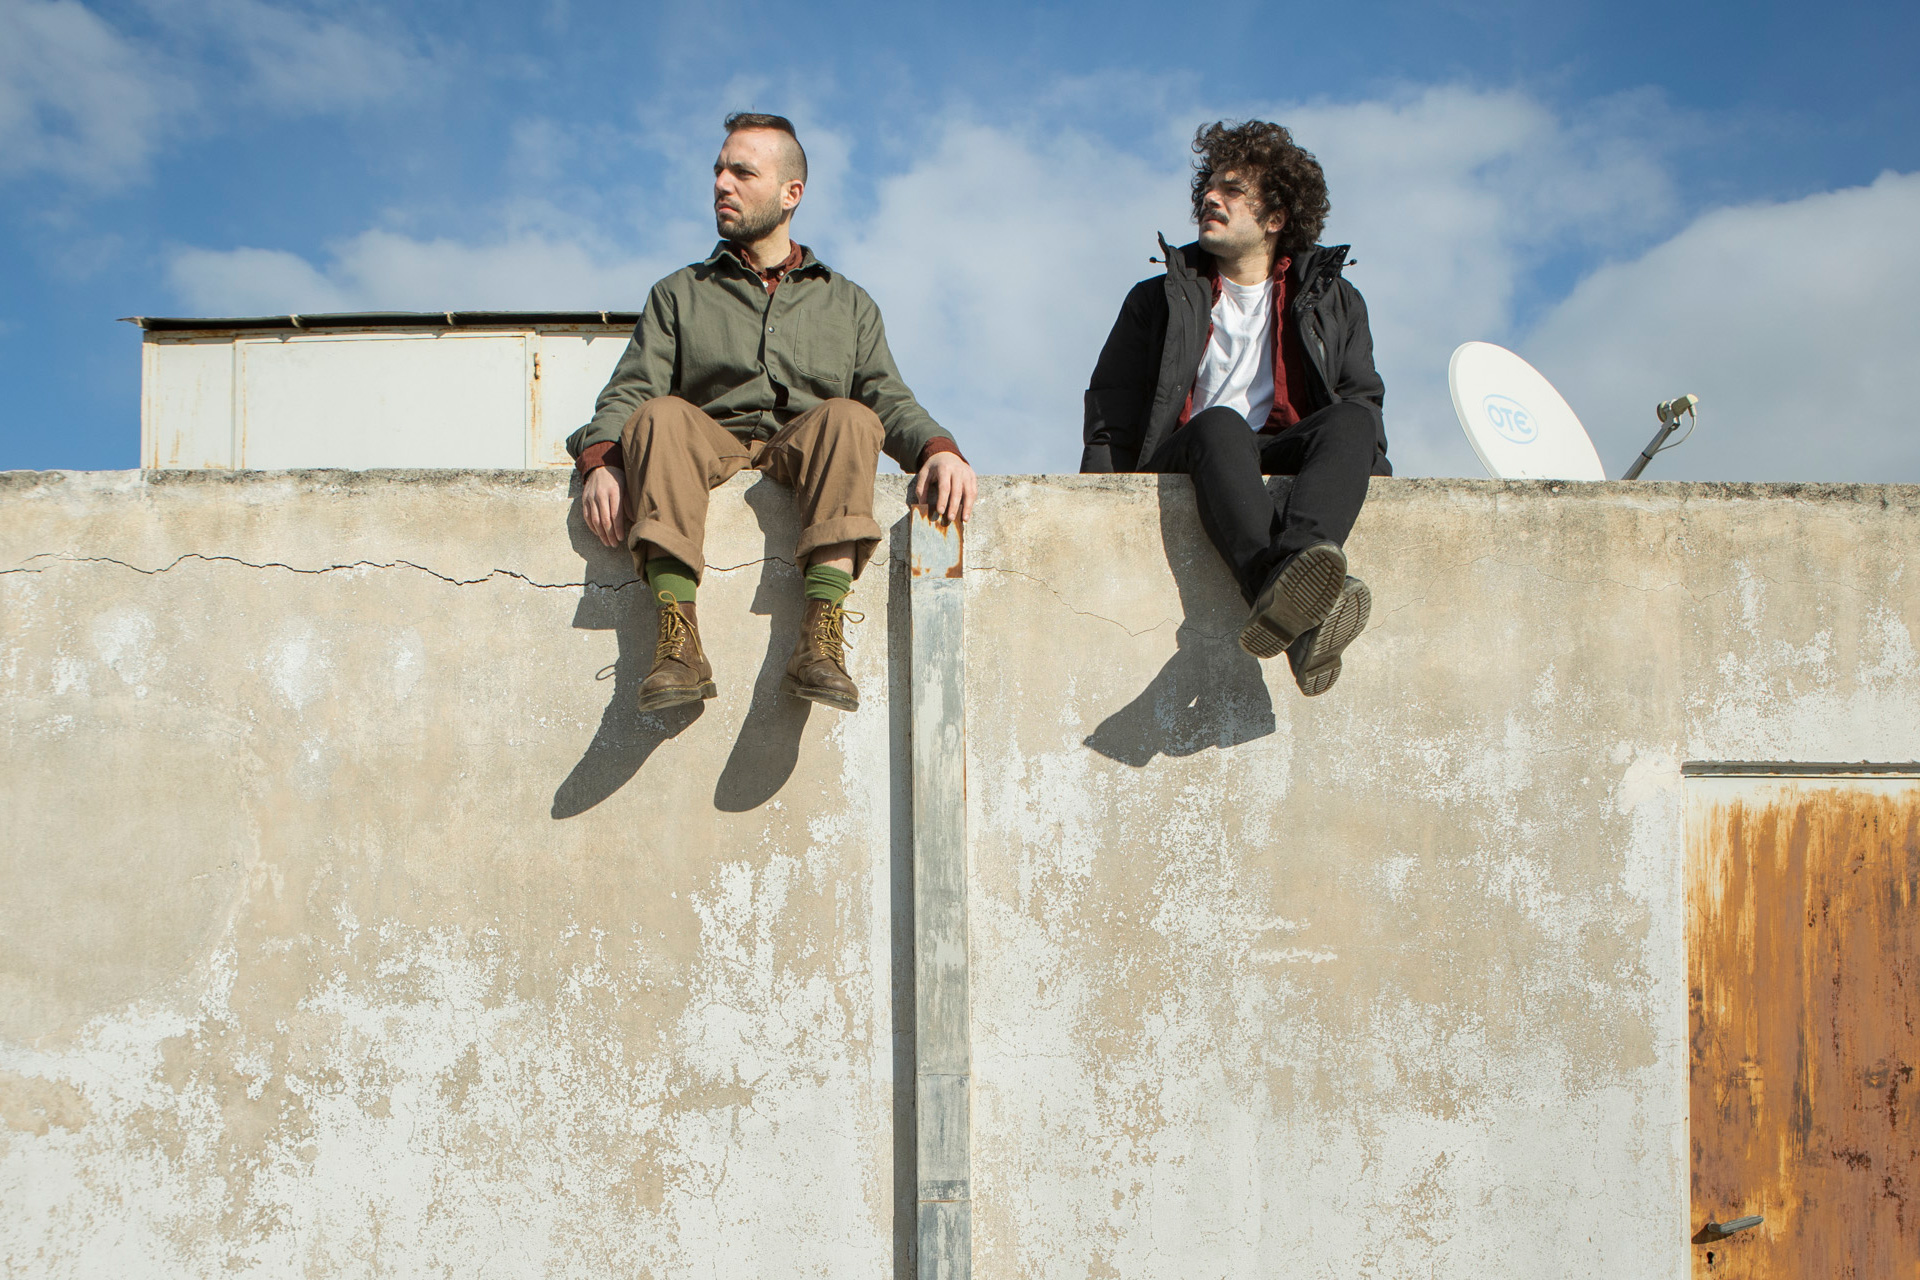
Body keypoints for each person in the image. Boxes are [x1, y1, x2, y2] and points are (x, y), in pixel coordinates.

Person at [569, 112, 976, 714]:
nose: (721, 184)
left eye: (742, 172)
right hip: (707, 443)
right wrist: (601, 460)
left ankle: (820, 638)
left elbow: (886, 396)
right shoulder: (678, 292)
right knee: (658, 415)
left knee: (851, 417)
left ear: (791, 194)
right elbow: (631, 389)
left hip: (804, 446)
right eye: (718, 171)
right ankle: (678, 645)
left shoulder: (849, 302)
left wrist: (939, 450)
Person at [1082, 120, 1389, 696]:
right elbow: (1111, 407)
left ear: (1275, 219)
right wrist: (1096, 501)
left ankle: (1297, 582)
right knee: (1219, 423)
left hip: (1285, 450)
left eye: (1232, 190)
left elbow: (1361, 396)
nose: (1210, 198)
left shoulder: (1333, 300)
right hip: (1194, 452)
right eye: (1208, 188)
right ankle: (1294, 601)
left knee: (1353, 421)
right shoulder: (1159, 298)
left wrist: (1370, 479)